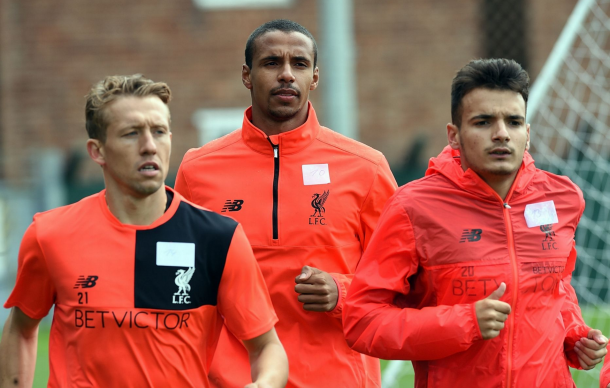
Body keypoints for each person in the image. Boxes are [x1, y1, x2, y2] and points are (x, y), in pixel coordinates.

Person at [0, 75, 288, 388]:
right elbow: (21, 328)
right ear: (97, 151)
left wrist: (264, 384)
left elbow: (267, 347)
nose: (149, 146)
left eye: (159, 131)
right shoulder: (50, 234)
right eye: (131, 133)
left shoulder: (218, 237)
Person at [343, 58, 608, 387]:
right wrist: (464, 321)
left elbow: (556, 289)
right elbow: (363, 321)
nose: (501, 134)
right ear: (454, 135)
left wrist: (573, 334)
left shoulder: (564, 198)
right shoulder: (414, 207)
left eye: (513, 122)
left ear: (527, 132)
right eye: (483, 122)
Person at [175, 19, 397, 388]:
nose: (286, 75)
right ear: (247, 75)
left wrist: (343, 291)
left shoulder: (366, 168)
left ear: (315, 77)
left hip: (336, 378)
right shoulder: (198, 169)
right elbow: (178, 280)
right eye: (271, 63)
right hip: (230, 379)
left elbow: (402, 279)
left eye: (299, 64)